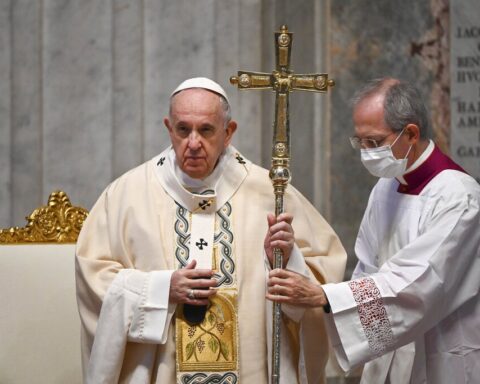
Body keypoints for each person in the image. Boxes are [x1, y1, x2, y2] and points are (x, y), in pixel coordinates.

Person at [75, 77, 346, 383]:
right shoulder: (126, 195)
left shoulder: (269, 193)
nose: (193, 143)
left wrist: (285, 258)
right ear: (168, 127)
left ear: (228, 132)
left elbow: (323, 277)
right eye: (182, 130)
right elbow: (93, 278)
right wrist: (162, 290)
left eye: (206, 130)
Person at [266, 78, 480, 383]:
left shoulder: (459, 196)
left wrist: (326, 297)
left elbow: (420, 285)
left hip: (440, 354)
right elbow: (367, 271)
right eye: (360, 142)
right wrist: (298, 267)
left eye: (375, 142)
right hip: (389, 356)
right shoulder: (386, 187)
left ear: (411, 133)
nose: (365, 152)